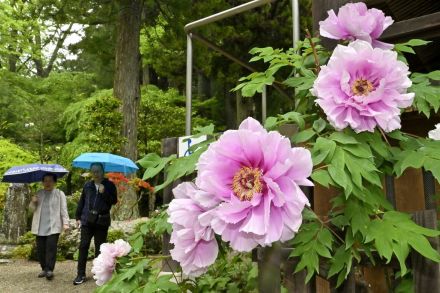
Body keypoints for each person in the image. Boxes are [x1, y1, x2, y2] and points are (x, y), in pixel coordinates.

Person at [73, 162, 117, 285]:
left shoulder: (110, 185)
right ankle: (80, 274)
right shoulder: (88, 185)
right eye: (93, 171)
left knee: (100, 248)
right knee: (83, 246)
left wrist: (104, 193)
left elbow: (114, 201)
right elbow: (82, 202)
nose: (96, 174)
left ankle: (99, 273)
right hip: (87, 220)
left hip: (102, 221)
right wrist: (77, 217)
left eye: (98, 171)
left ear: (103, 172)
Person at [29, 172, 69, 280]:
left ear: (54, 182)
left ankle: (50, 269)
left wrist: (66, 223)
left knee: (51, 248)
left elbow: (64, 210)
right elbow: (31, 210)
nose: (47, 183)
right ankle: (43, 268)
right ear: (42, 182)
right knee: (41, 249)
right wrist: (33, 202)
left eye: (50, 180)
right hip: (40, 226)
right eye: (45, 180)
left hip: (53, 226)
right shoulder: (39, 193)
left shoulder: (59, 193)